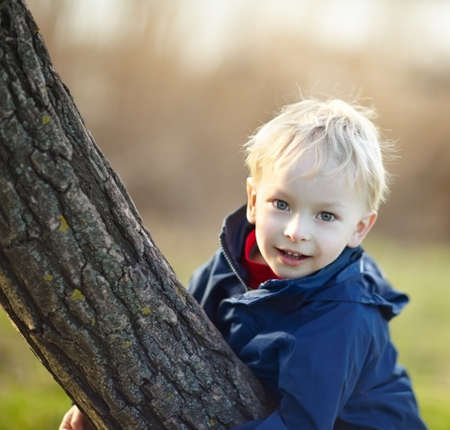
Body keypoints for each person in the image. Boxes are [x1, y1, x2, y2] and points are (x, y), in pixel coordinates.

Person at [59, 99, 427, 429]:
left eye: (326, 216)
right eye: (281, 204)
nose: (296, 231)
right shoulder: (229, 266)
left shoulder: (342, 317)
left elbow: (301, 424)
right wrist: (101, 403)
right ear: (253, 200)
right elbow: (163, 337)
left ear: (359, 229)